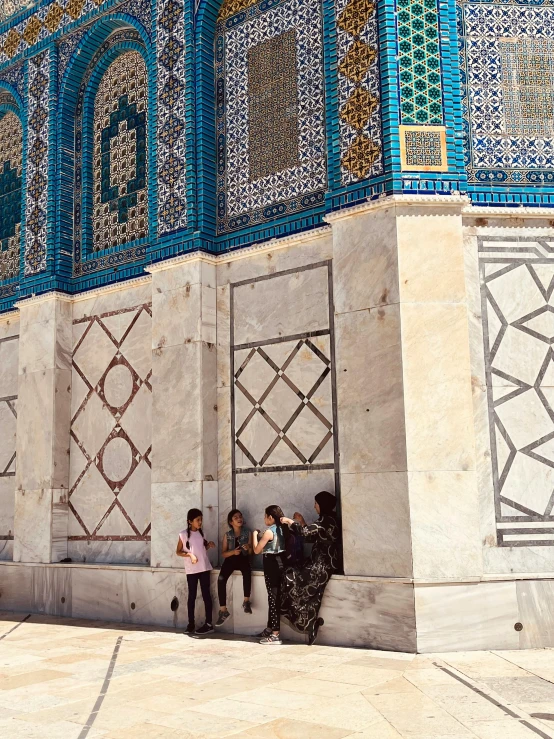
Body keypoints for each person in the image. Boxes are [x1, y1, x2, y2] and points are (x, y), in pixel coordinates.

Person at [280, 491, 340, 646]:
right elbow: (310, 536)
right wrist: (302, 521)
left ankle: (306, 621)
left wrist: (290, 522)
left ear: (322, 505)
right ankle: (307, 621)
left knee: (293, 577)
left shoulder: (328, 520)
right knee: (291, 574)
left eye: (316, 503)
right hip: (317, 562)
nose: (314, 506)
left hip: (323, 564)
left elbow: (305, 533)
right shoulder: (325, 520)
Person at [176, 508, 216, 636]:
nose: (200, 522)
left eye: (201, 520)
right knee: (191, 596)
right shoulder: (183, 535)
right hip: (192, 570)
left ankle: (209, 623)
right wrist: (190, 555)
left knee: (206, 595)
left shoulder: (202, 533)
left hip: (204, 568)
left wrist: (208, 545)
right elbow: (178, 551)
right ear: (190, 521)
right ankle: (191, 623)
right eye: (197, 520)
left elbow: (201, 548)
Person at [253, 504, 288, 645]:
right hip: (281, 565)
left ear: (270, 517)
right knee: (274, 597)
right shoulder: (282, 529)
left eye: (265, 516)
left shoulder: (269, 532)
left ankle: (275, 634)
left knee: (273, 599)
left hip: (271, 566)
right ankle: (270, 628)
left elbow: (256, 550)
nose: (264, 519)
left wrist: (254, 535)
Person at [216, 509, 253, 626]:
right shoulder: (227, 535)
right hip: (231, 559)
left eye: (240, 516)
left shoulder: (248, 533)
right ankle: (223, 610)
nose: (239, 519)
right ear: (231, 522)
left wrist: (248, 548)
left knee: (247, 573)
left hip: (243, 559)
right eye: (235, 517)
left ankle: (246, 601)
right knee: (221, 580)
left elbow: (252, 551)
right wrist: (233, 552)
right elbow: (223, 553)